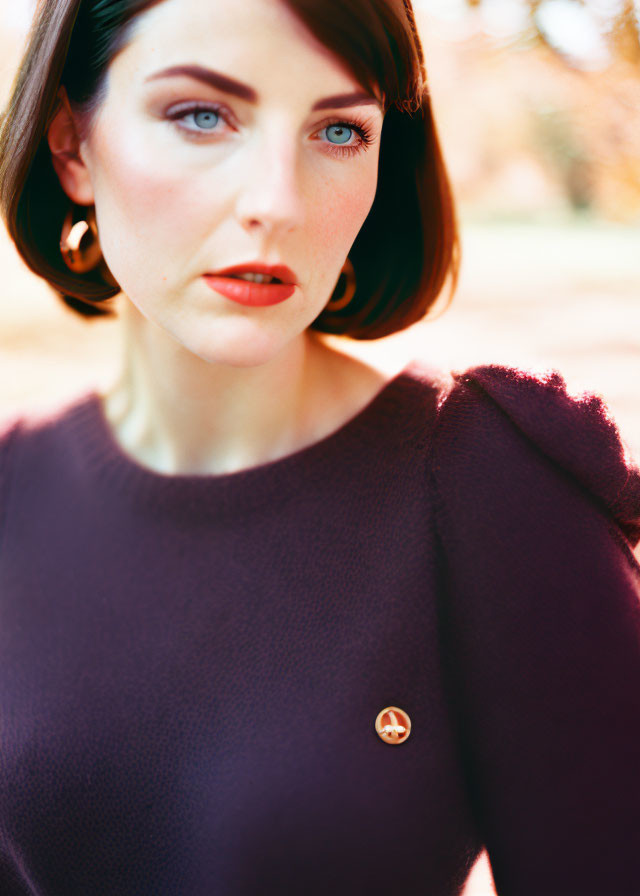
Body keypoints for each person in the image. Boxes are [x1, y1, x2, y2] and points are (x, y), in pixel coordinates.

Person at [0, 0, 639, 893]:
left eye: (339, 129)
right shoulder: (9, 489)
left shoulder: (494, 484)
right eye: (200, 115)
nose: (277, 201)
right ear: (72, 145)